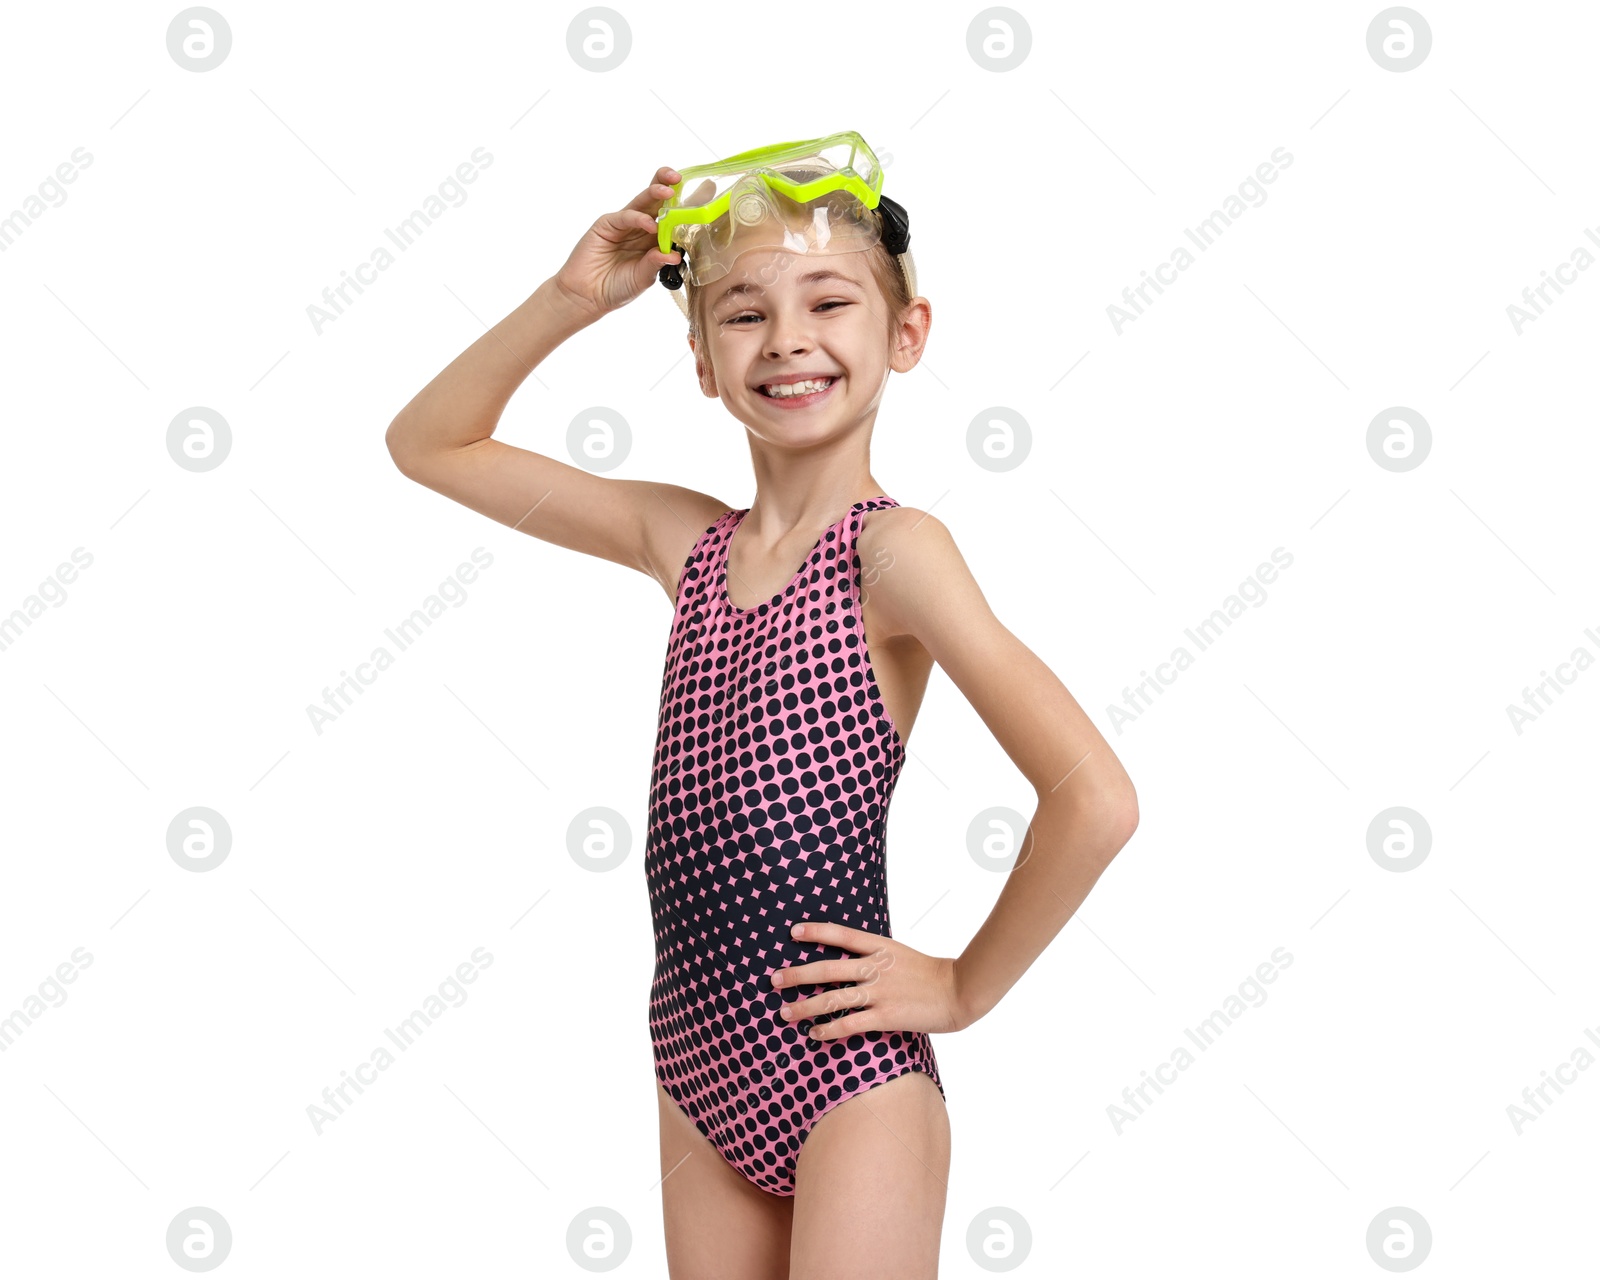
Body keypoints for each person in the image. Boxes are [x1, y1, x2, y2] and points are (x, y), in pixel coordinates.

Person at [385, 133, 1139, 1280]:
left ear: (906, 333)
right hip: (693, 1056)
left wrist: (961, 983)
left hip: (849, 1075)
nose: (787, 337)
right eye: (742, 313)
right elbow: (429, 443)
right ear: (698, 359)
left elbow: (1094, 796)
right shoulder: (681, 540)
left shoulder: (893, 554)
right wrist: (569, 300)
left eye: (828, 301)